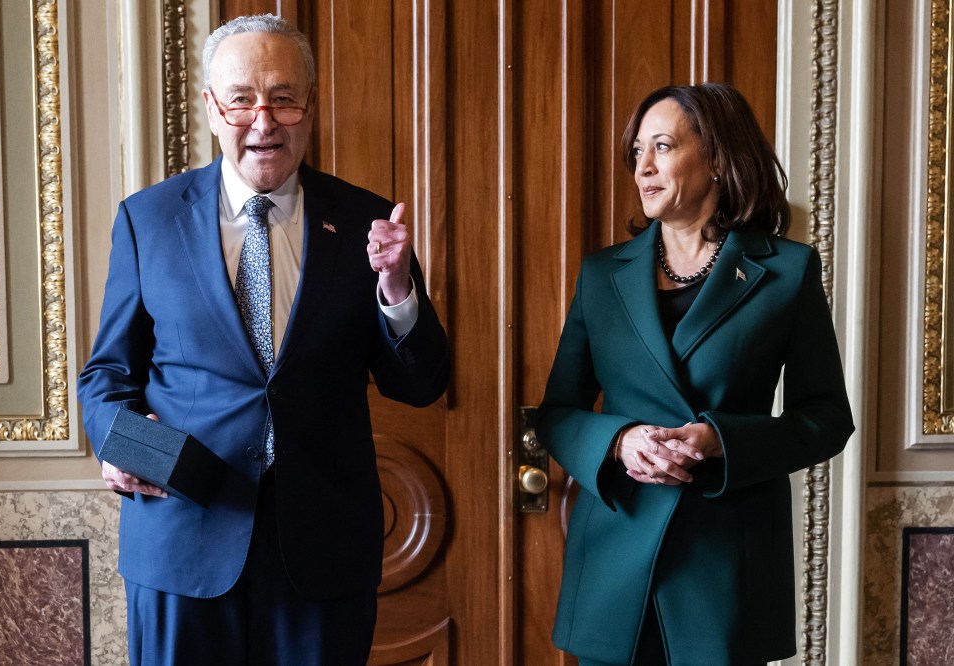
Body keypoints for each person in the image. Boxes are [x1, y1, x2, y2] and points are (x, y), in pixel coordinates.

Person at [77, 14, 449, 665]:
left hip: (323, 549)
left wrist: (396, 292)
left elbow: (420, 385)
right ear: (213, 110)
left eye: (284, 97)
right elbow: (106, 378)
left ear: (309, 105)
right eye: (243, 98)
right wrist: (125, 446)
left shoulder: (368, 220)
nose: (264, 119)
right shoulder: (150, 219)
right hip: (182, 536)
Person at [535, 82, 854, 665]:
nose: (644, 167)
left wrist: (722, 441)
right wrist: (620, 441)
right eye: (637, 151)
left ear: (717, 159)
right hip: (614, 562)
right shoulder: (602, 274)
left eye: (662, 146)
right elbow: (556, 413)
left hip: (725, 567)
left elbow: (828, 419)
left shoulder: (786, 271)